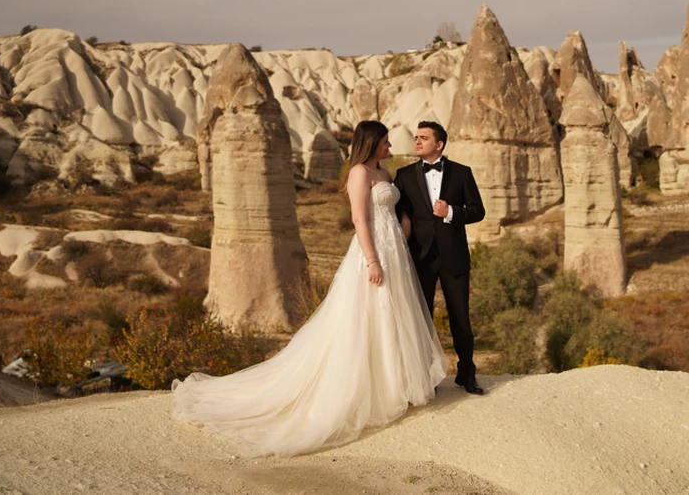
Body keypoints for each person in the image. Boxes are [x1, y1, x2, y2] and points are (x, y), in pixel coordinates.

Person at [171, 120, 447, 456]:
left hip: (395, 249)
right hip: (373, 250)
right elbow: (360, 219)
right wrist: (372, 260)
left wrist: (402, 224)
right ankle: (369, 392)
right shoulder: (359, 172)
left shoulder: (385, 174)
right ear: (372, 143)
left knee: (393, 315)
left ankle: (394, 387)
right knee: (369, 316)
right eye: (385, 142)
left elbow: (391, 208)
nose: (390, 147)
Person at [394, 121, 486, 395]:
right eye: (417, 137)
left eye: (424, 138)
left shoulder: (462, 173)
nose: (417, 142)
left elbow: (478, 211)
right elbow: (397, 215)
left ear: (440, 144)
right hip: (419, 258)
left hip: (453, 256)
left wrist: (451, 212)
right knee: (422, 318)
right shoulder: (404, 175)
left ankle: (467, 374)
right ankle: (425, 376)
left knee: (460, 318)